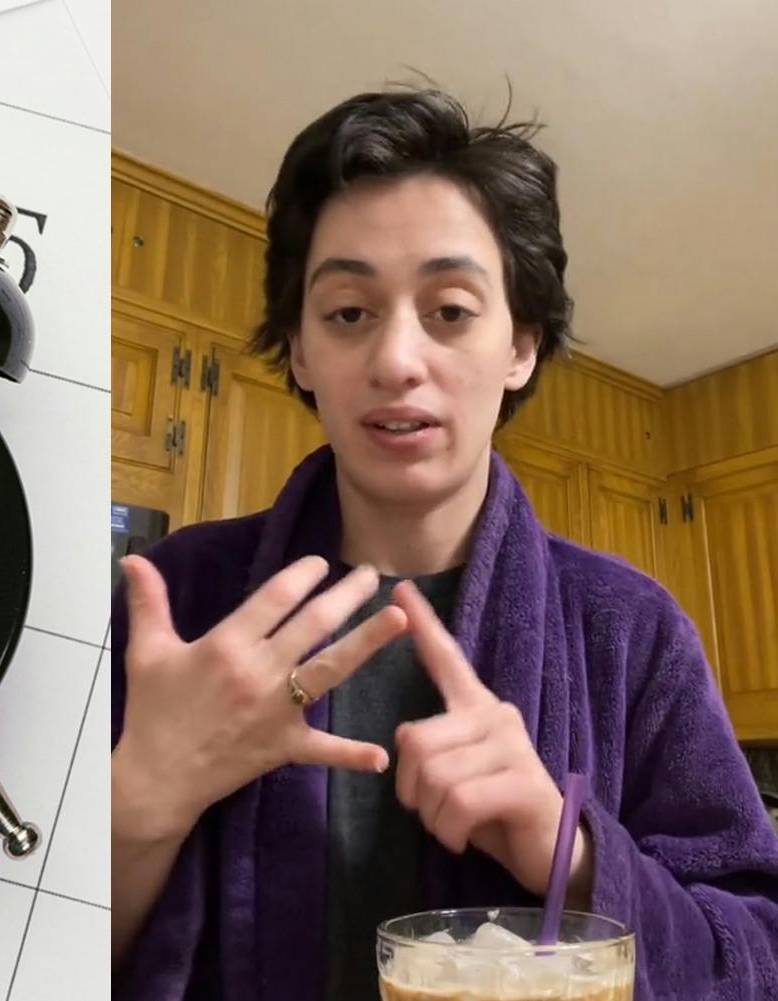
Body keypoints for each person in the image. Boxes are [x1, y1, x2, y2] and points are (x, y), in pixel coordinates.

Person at [110, 88, 778, 998]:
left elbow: (758, 952)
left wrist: (572, 854)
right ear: (300, 352)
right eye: (348, 312)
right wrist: (140, 805)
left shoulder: (630, 630)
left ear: (521, 348)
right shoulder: (181, 595)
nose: (395, 360)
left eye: (451, 310)